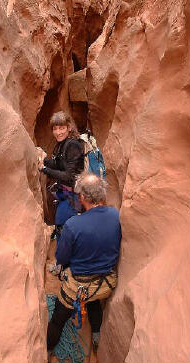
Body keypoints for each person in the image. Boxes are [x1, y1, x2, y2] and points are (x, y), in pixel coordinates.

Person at [47, 173, 122, 354]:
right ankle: (96, 336)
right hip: (107, 283)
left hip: (78, 286)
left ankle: (48, 349)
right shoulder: (115, 215)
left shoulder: (73, 225)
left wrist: (62, 267)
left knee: (59, 317)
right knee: (93, 302)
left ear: (82, 197)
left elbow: (62, 258)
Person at [38, 111, 84, 231]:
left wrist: (44, 169)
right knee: (62, 228)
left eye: (62, 128)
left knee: (65, 229)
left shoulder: (73, 145)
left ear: (69, 128)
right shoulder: (62, 144)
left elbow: (69, 176)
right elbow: (59, 164)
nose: (58, 132)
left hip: (73, 197)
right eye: (55, 129)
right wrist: (45, 160)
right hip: (65, 195)